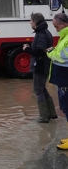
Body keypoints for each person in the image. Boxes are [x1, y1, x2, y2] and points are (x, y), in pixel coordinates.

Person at [22, 13, 57, 123]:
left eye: (31, 21)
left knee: (38, 90)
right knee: (42, 88)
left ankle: (44, 116)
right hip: (44, 64)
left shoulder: (41, 33)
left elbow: (39, 51)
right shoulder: (44, 32)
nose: (30, 22)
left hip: (40, 65)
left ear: (36, 22)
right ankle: (51, 113)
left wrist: (27, 49)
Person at [46, 13, 68, 149]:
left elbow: (63, 57)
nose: (56, 29)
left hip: (65, 80)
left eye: (56, 26)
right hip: (63, 79)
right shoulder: (64, 36)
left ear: (64, 24)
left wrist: (50, 53)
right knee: (65, 108)